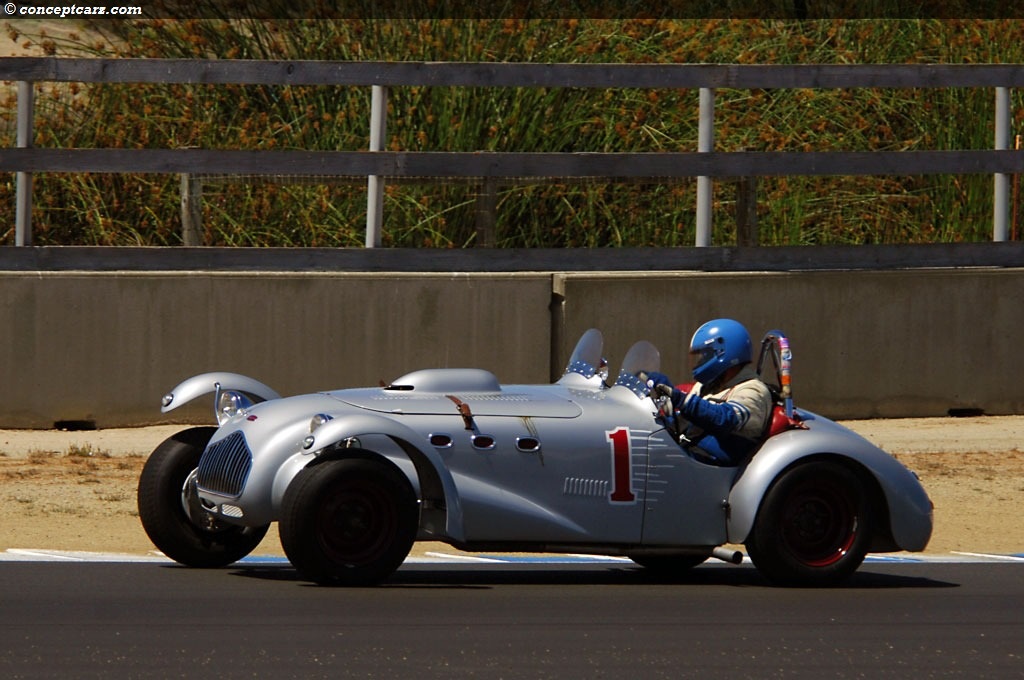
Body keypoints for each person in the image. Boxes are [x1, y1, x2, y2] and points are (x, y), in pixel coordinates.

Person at [645, 318, 774, 466]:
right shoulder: (707, 386)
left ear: (722, 353)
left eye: (704, 355)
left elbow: (726, 418)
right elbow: (681, 423)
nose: (699, 361)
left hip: (713, 469)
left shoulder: (753, 389)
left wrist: (680, 399)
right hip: (689, 457)